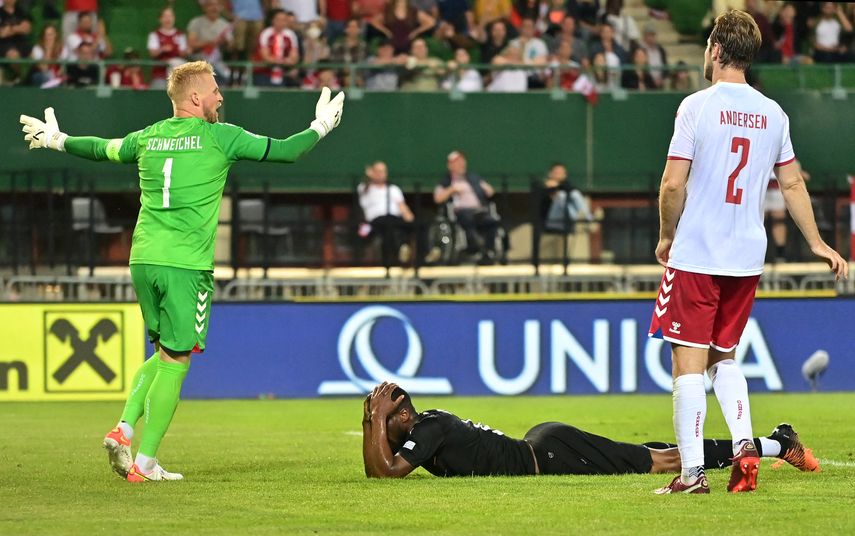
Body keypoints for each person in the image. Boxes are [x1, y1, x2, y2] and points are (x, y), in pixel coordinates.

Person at [19, 61, 344, 482]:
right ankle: (146, 463)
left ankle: (124, 430)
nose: (220, 97)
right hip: (186, 265)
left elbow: (103, 148)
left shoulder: (148, 137)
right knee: (177, 361)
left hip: (143, 259)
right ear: (195, 97)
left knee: (163, 353)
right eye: (214, 90)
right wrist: (321, 126)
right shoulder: (221, 137)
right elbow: (287, 151)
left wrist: (59, 140)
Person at [649, 10, 847, 495]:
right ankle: (744, 448)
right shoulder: (773, 113)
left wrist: (665, 235)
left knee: (688, 365)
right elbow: (793, 181)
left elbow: (673, 183)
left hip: (698, 251)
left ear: (716, 50)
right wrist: (818, 243)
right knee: (725, 358)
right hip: (745, 256)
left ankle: (693, 475)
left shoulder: (696, 106)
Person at [361, 383, 820, 478]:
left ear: (402, 418)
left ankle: (777, 444)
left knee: (665, 460)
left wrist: (371, 421)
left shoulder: (428, 428)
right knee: (654, 453)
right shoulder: (429, 425)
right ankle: (775, 441)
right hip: (545, 445)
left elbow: (382, 472)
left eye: (385, 417)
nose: (382, 424)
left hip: (553, 455)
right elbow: (381, 467)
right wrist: (377, 419)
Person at [358, 161, 438, 265]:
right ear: (372, 173)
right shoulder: (365, 188)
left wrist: (411, 222)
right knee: (388, 225)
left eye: (383, 171)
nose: (381, 174)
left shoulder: (393, 189)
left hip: (394, 218)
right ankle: (399, 252)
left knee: (420, 224)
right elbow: (364, 187)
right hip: (376, 221)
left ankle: (424, 256)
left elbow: (403, 208)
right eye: (377, 171)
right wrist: (368, 177)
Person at [433, 150, 500, 263]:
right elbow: (437, 198)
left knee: (491, 221)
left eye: (462, 161)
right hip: (461, 212)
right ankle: (475, 246)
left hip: (479, 210)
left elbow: (489, 191)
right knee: (468, 220)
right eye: (457, 162)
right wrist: (452, 190)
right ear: (450, 165)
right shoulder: (447, 181)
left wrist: (487, 189)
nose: (461, 164)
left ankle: (489, 250)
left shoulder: (473, 178)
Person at [765, 160, 810, 262]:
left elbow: (801, 175)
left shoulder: (785, 156)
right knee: (756, 221)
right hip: (759, 189)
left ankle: (780, 255)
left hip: (777, 188)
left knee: (779, 221)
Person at [147, 7, 189, 89]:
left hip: (178, 74)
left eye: (170, 16)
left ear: (174, 18)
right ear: (160, 19)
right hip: (160, 74)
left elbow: (184, 53)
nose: (168, 19)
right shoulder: (155, 35)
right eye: (165, 16)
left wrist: (187, 51)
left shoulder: (180, 35)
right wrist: (162, 49)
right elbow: (152, 53)